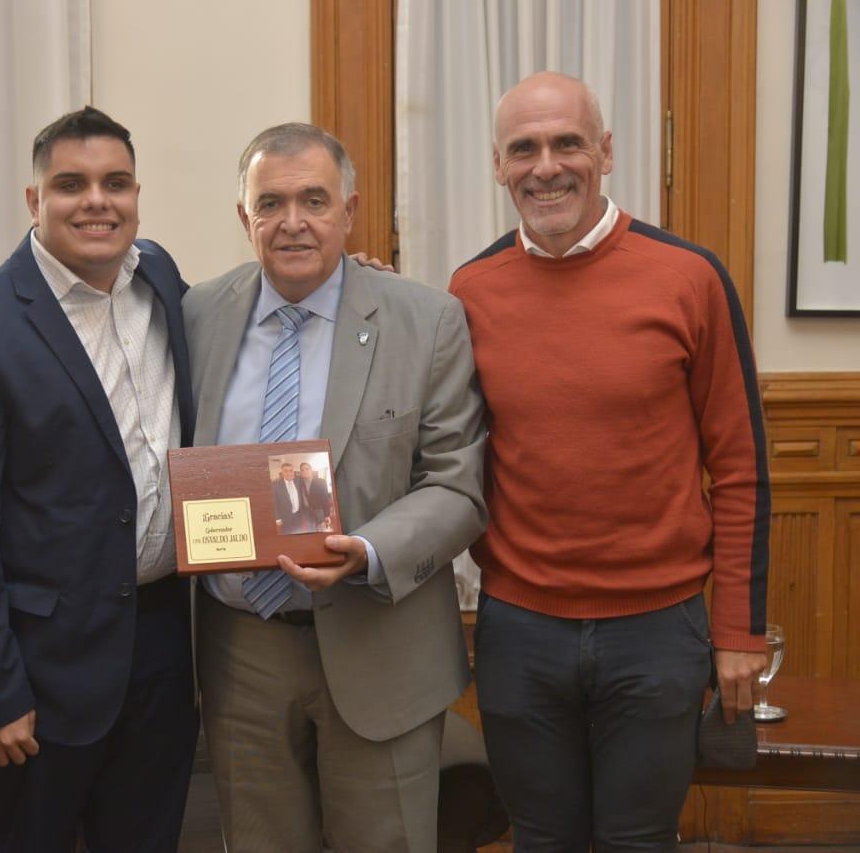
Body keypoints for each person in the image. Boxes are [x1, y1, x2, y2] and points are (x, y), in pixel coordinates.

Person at [449, 71, 769, 850]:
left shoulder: (690, 277)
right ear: (498, 164)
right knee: (540, 838)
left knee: (639, 840)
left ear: (607, 152)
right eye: (524, 148)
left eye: (568, 143)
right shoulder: (469, 290)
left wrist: (739, 631)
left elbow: (740, 467)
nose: (546, 166)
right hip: (520, 630)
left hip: (658, 632)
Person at [184, 122, 488, 852]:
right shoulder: (195, 315)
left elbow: (459, 485)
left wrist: (368, 550)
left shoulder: (426, 320)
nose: (293, 222)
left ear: (350, 212)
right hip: (241, 652)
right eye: (272, 202)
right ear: (244, 217)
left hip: (378, 643)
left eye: (314, 200)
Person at [0, 106, 197, 852]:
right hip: (43, 674)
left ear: (137, 194)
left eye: (116, 183)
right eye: (71, 184)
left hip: (166, 643)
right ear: (35, 200)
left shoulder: (161, 279)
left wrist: (352, 276)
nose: (96, 201)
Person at [272, 461, 311, 533]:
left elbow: (307, 478)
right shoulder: (276, 485)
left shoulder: (298, 480)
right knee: (288, 534)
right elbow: (275, 503)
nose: (289, 473)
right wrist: (277, 518)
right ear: (282, 472)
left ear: (294, 471)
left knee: (299, 532)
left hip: (298, 515)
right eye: (286, 471)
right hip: (286, 517)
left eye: (291, 470)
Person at [299, 461, 332, 530]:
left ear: (311, 470)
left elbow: (325, 499)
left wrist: (327, 515)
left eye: (307, 469)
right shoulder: (300, 483)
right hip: (307, 512)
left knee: (321, 530)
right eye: (302, 470)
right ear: (301, 473)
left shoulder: (321, 482)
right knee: (310, 529)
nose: (305, 471)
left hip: (319, 511)